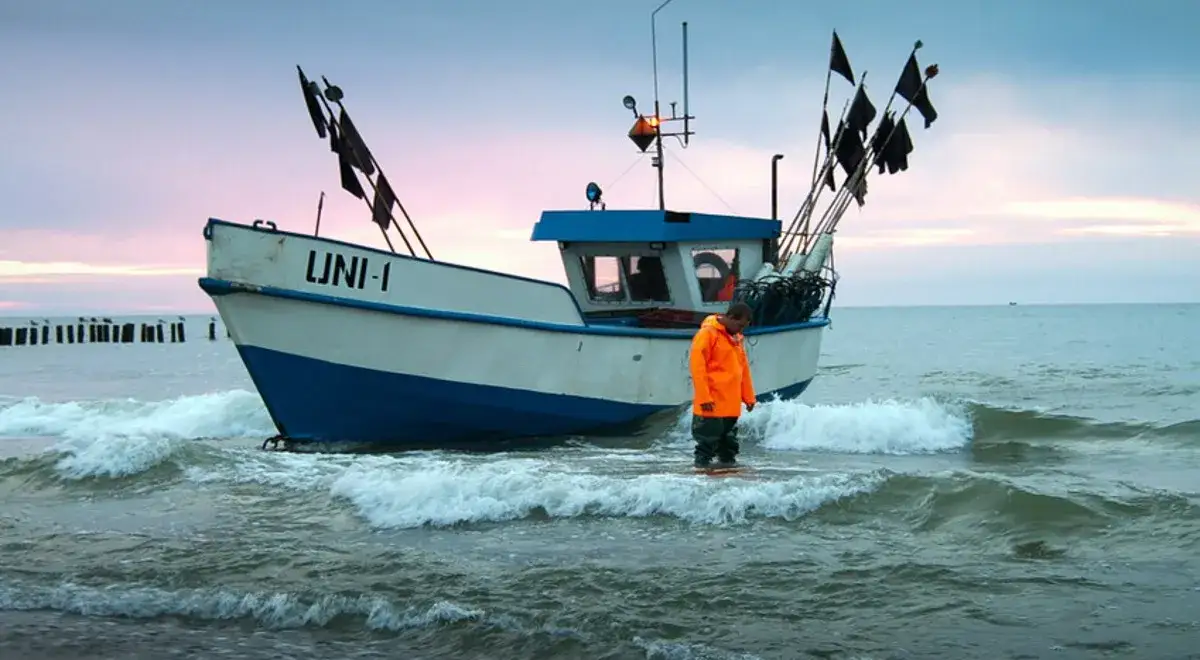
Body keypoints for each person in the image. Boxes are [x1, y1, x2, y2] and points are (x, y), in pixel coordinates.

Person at [688, 301, 757, 468]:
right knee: (707, 445)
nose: (741, 330)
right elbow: (697, 367)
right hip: (711, 403)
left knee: (729, 446)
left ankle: (726, 480)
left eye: (744, 327)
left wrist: (748, 397)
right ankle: (700, 479)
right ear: (730, 318)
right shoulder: (707, 334)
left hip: (730, 404)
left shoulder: (736, 338)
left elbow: (743, 369)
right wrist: (704, 397)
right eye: (739, 325)